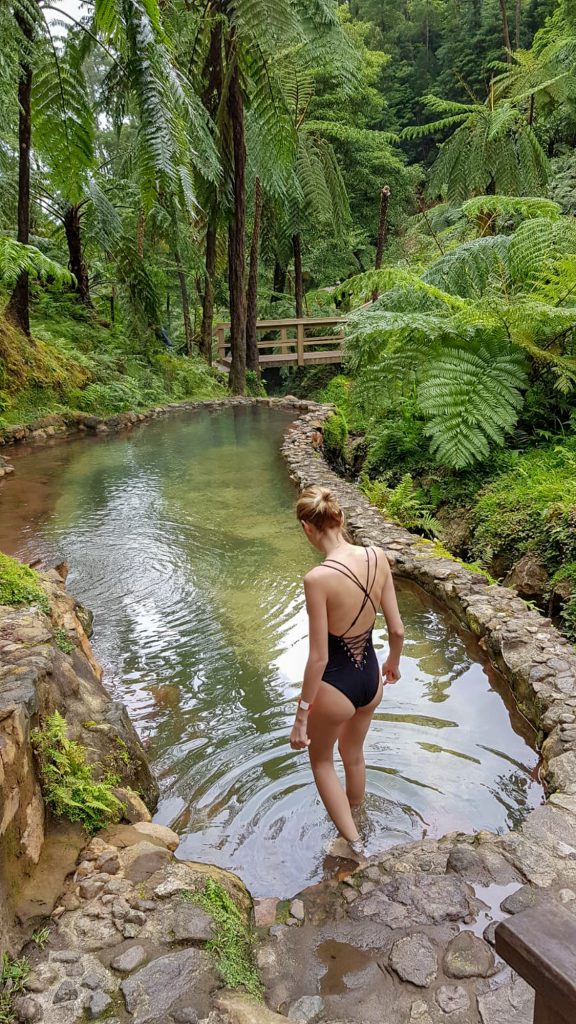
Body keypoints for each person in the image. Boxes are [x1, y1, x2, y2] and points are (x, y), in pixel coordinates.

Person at [290, 485, 404, 858]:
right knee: (352, 753)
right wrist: (393, 663)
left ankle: (353, 846)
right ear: (340, 517)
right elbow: (397, 629)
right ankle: (358, 821)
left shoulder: (317, 579)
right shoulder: (378, 557)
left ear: (308, 528)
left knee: (322, 760)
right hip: (372, 680)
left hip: (336, 686)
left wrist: (301, 716)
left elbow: (319, 658)